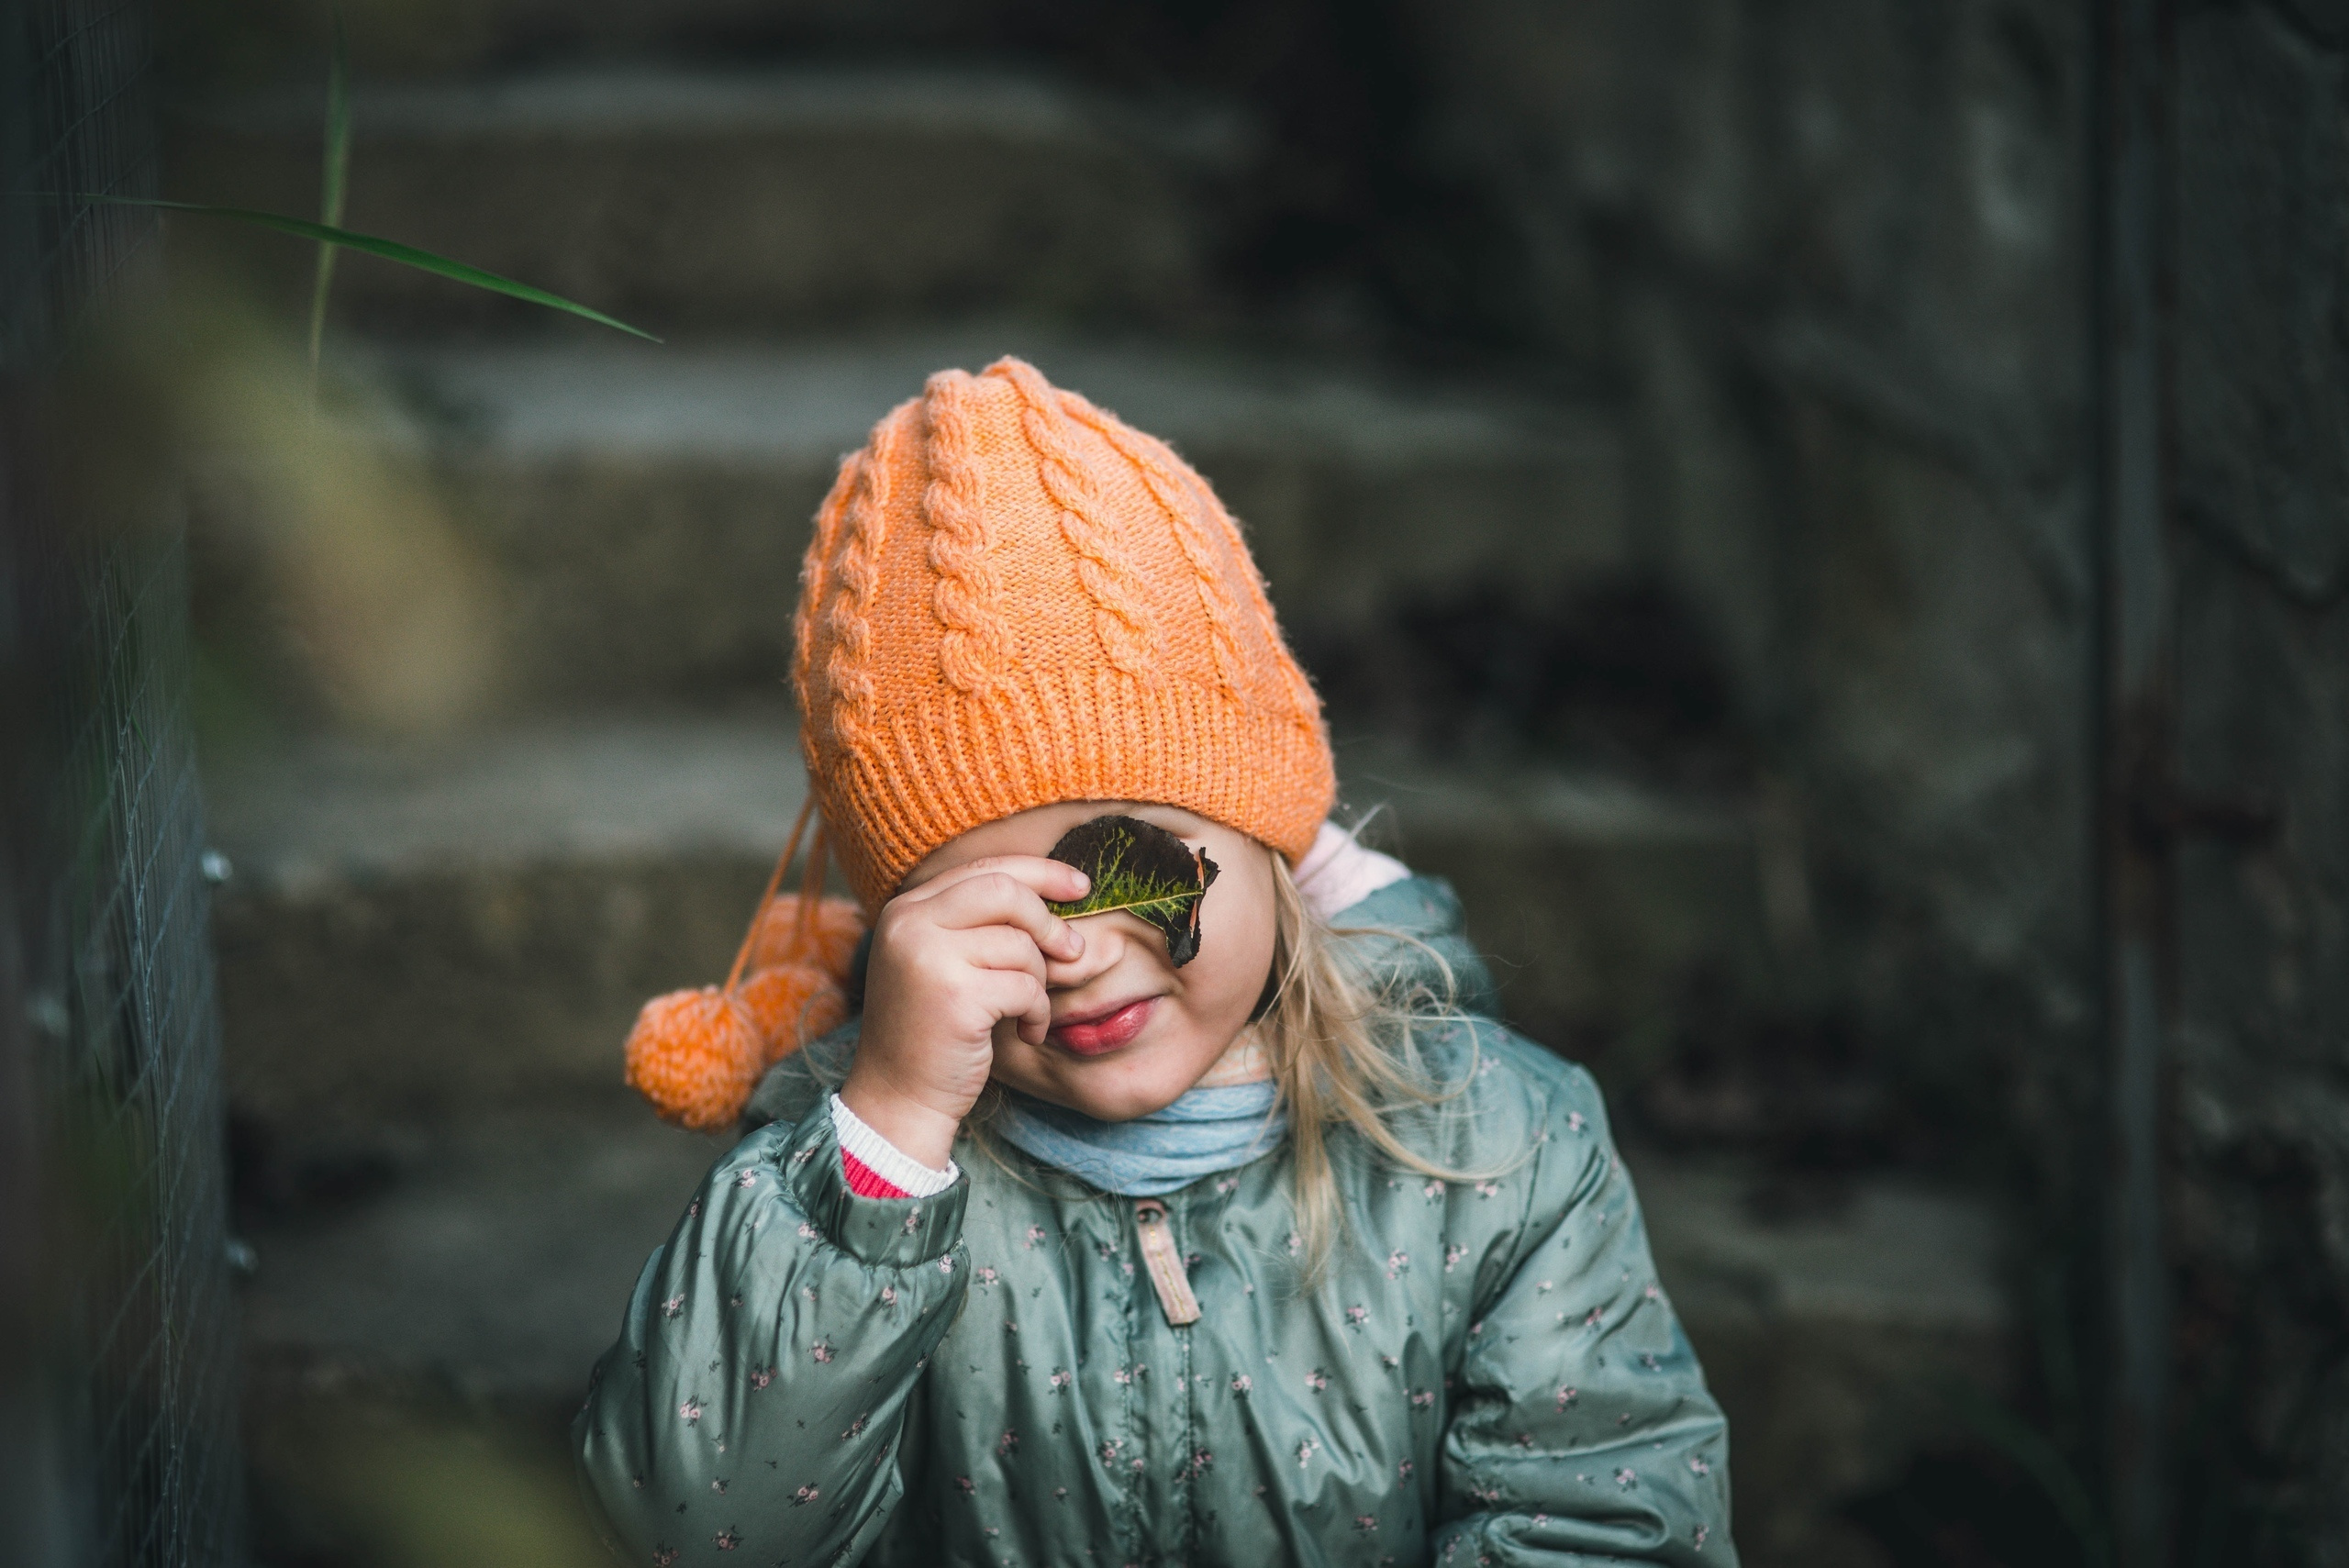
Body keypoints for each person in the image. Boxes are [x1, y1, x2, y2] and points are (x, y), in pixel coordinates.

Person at [573, 357, 1735, 1566]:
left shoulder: (1501, 1152)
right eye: (990, 910)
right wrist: (886, 1137)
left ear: (1272, 838)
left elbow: (1608, 1523)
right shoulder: (834, 1181)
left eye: (1137, 867)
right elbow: (700, 1534)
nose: (1073, 953)